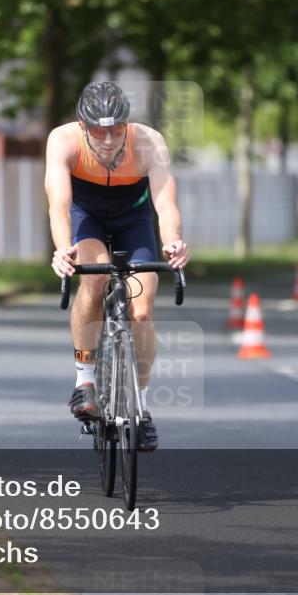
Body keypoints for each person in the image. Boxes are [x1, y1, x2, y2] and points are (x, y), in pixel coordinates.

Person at [45, 82, 190, 453]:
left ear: (127, 125)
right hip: (86, 216)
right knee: (94, 281)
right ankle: (84, 381)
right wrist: (64, 250)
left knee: (142, 310)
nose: (108, 139)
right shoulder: (62, 141)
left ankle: (140, 407)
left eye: (116, 130)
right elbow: (59, 206)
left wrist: (173, 241)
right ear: (82, 126)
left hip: (133, 218)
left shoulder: (149, 142)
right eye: (97, 130)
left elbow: (165, 204)